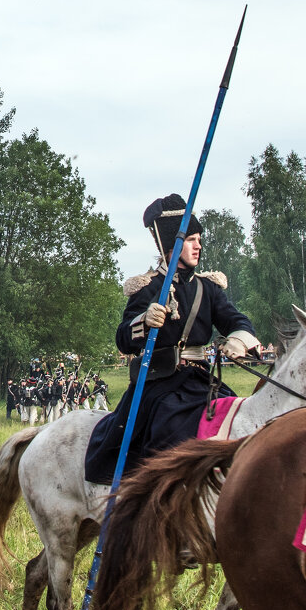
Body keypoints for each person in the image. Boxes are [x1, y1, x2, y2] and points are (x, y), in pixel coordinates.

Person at [85, 194, 260, 484]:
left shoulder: (209, 288)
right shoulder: (146, 288)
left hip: (201, 380)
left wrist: (238, 340)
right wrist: (143, 321)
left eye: (199, 239)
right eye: (191, 239)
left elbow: (238, 321)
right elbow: (123, 338)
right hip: (160, 383)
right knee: (169, 431)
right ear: (172, 246)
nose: (199, 245)